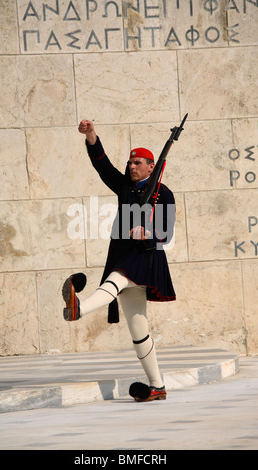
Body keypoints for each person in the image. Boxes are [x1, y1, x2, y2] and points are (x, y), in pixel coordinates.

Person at [62, 120, 176, 402]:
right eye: (129, 163)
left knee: (114, 281)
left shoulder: (165, 194)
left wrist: (147, 231)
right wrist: (91, 136)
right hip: (124, 253)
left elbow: (166, 232)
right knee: (138, 330)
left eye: (137, 163)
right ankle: (157, 386)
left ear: (152, 166)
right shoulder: (125, 186)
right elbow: (103, 166)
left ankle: (79, 309)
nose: (131, 167)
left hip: (145, 258)